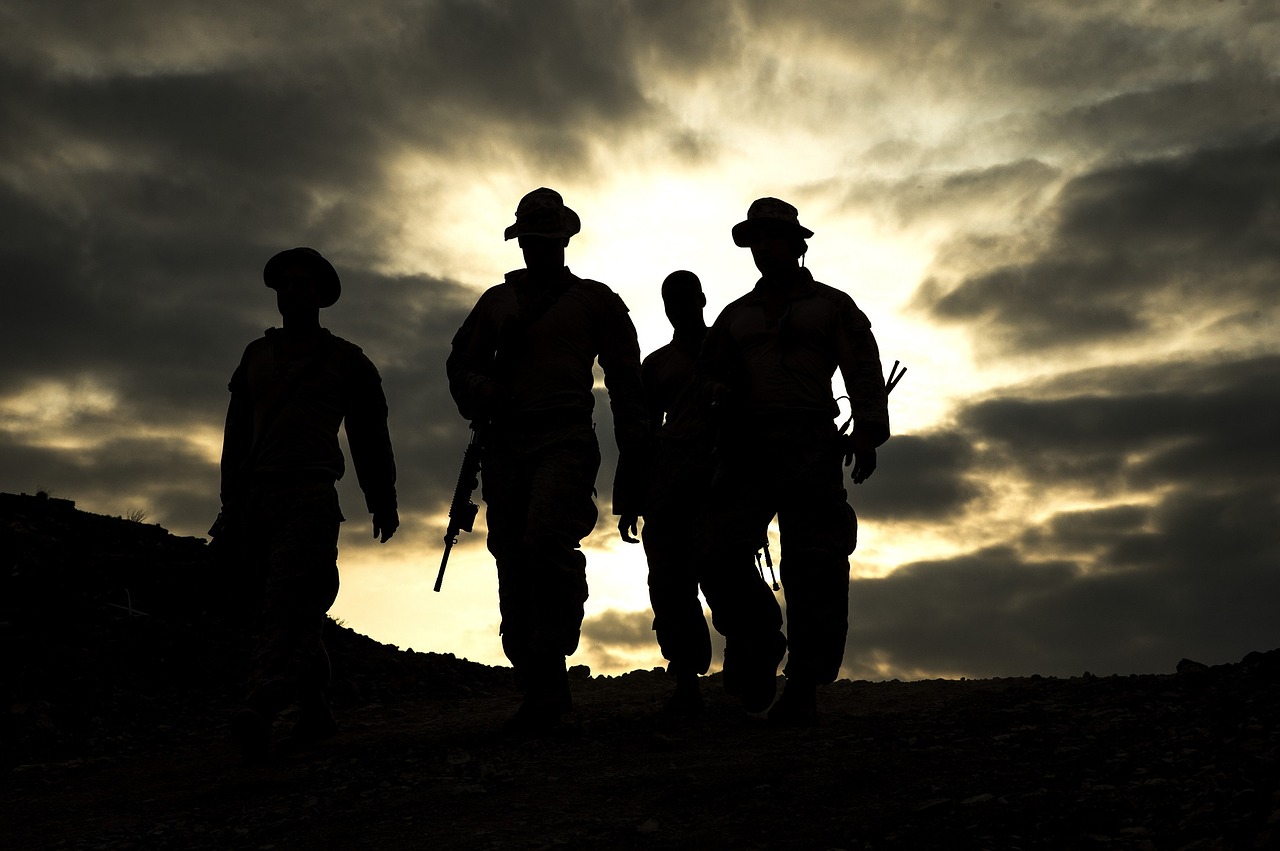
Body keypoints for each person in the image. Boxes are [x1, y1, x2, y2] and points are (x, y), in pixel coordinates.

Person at [446, 187, 647, 734]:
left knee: (545, 541)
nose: (539, 247)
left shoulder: (595, 300)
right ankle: (536, 673)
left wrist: (635, 459)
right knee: (510, 553)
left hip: (564, 438)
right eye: (530, 238)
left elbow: (628, 384)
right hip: (506, 442)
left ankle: (551, 662)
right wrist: (480, 388)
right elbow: (459, 365)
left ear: (563, 241)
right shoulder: (496, 303)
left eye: (547, 238)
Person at [699, 197, 890, 724]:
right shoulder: (735, 316)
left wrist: (869, 432)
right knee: (718, 552)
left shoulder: (830, 306)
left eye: (772, 238)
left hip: (809, 442)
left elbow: (863, 368)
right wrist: (717, 392)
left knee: (815, 565)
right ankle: (758, 643)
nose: (763, 249)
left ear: (796, 243)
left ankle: (804, 684)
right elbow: (706, 375)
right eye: (754, 240)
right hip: (746, 446)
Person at [215, 246, 399, 760]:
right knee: (285, 610)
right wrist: (231, 502)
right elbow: (235, 434)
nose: (292, 292)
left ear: (322, 296)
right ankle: (316, 709)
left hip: (310, 496)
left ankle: (262, 703)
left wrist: (382, 500)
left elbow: (369, 437)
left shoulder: (347, 362)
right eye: (285, 284)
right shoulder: (254, 356)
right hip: (255, 499)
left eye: (303, 284)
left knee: (288, 603)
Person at [618, 271, 715, 717]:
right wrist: (631, 501)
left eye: (685, 297)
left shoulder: (729, 352)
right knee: (672, 588)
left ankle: (748, 674)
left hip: (721, 485)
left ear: (701, 299)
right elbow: (639, 435)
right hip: (669, 489)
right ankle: (686, 681)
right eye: (670, 299)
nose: (678, 305)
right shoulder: (657, 366)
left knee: (726, 580)